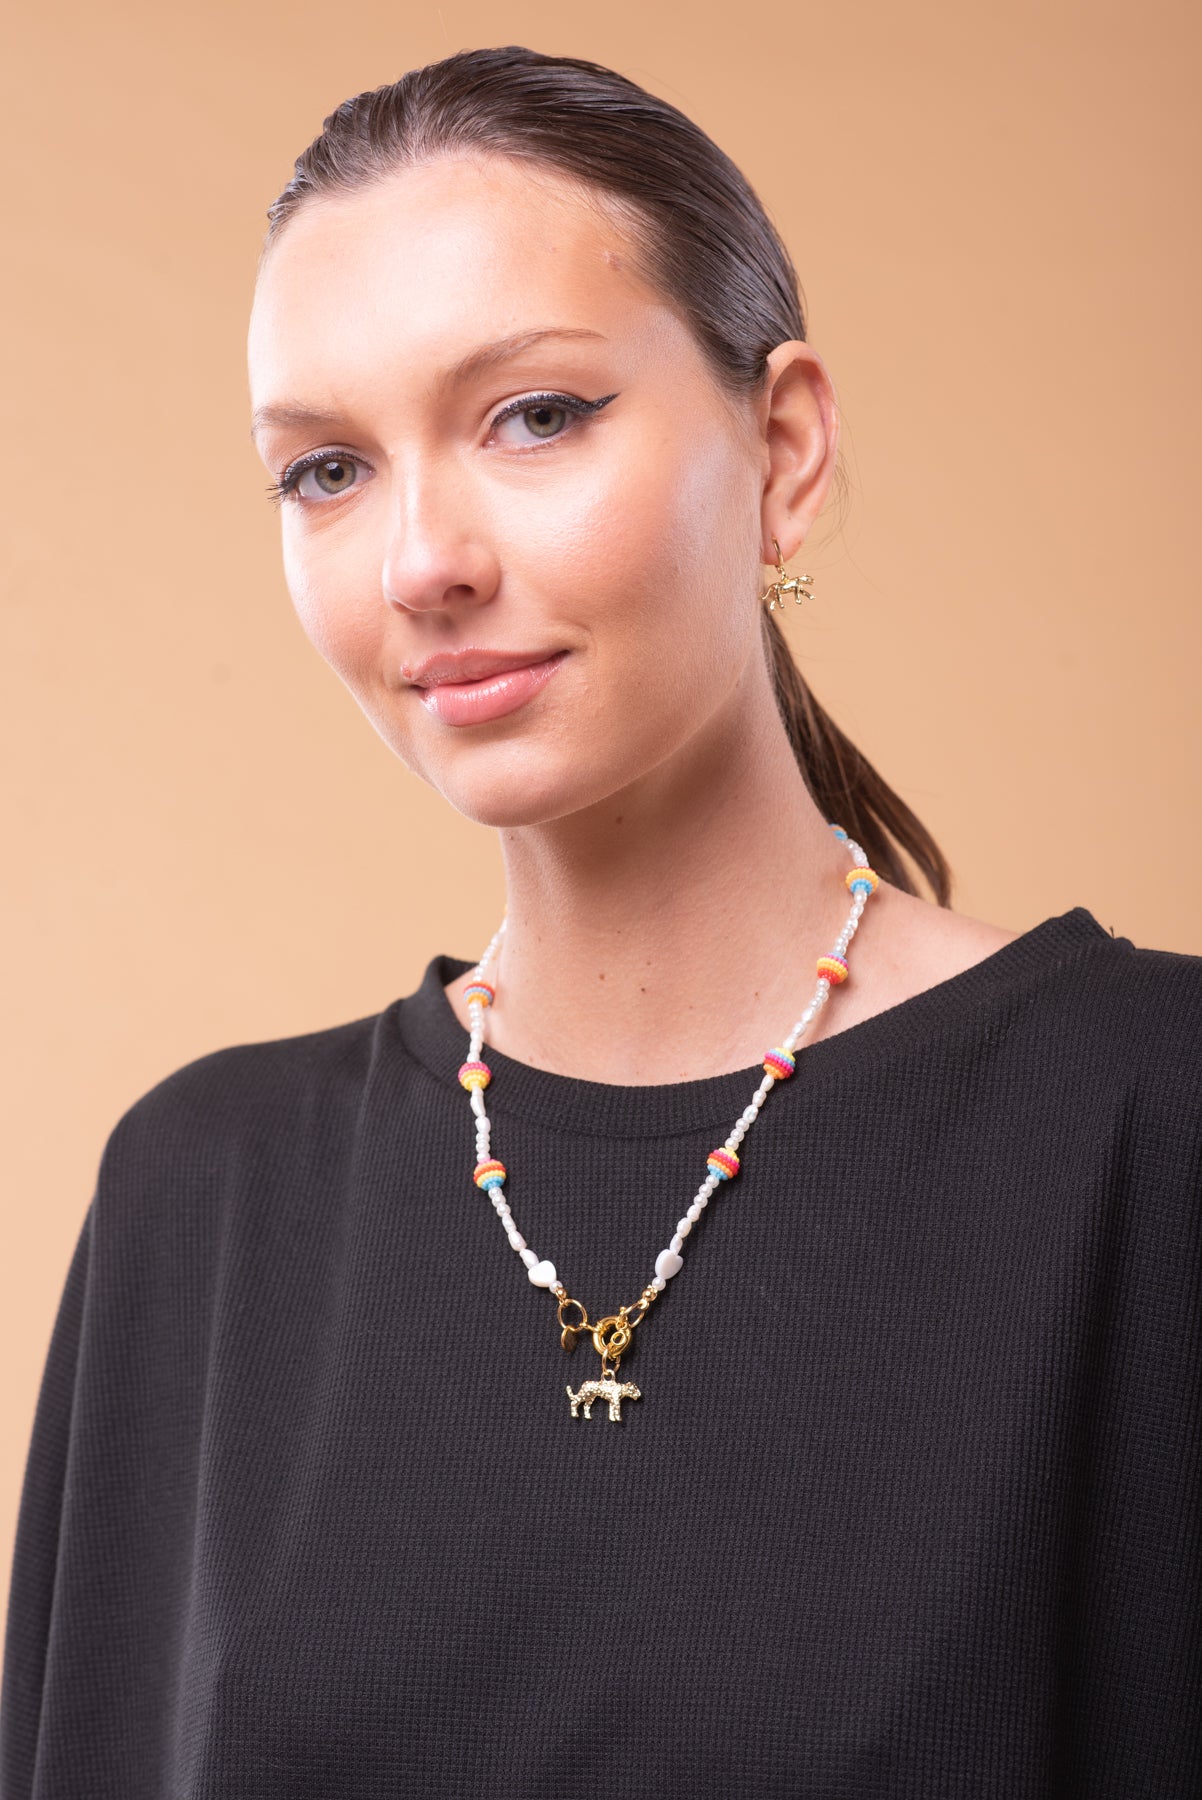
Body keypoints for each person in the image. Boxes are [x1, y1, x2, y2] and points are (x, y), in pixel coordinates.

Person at [2, 43, 1199, 1800]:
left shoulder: (1148, 1121)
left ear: (782, 451)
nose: (421, 560)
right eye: (325, 469)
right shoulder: (202, 1199)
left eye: (535, 416)